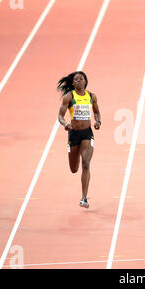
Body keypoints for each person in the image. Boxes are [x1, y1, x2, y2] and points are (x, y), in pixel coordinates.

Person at [57, 71, 101, 208]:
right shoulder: (68, 97)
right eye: (76, 80)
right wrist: (65, 124)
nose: (78, 81)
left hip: (87, 133)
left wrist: (98, 121)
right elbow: (60, 116)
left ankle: (84, 198)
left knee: (86, 163)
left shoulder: (92, 97)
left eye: (81, 79)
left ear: (85, 82)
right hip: (73, 134)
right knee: (74, 169)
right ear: (72, 83)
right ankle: (83, 196)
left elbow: (97, 112)